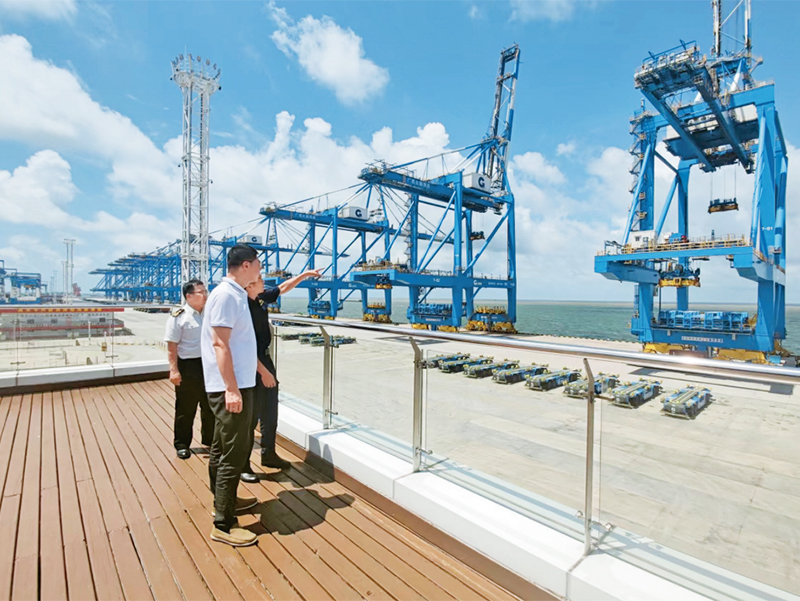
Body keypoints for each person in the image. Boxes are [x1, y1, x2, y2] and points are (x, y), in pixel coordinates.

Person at [201, 244, 262, 547]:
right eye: (259, 264)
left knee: (222, 447)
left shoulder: (234, 293)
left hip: (236, 383)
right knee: (234, 453)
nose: (261, 270)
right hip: (231, 386)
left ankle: (223, 502)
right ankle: (223, 524)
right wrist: (232, 389)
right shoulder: (226, 295)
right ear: (247, 265)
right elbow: (220, 344)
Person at [240, 269, 322, 483]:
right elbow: (240, 345)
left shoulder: (259, 297)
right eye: (260, 279)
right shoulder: (240, 306)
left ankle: (269, 454)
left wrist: (304, 275)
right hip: (250, 362)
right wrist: (262, 371)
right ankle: (243, 464)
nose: (264, 282)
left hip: (265, 359)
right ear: (249, 285)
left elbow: (282, 288)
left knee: (270, 410)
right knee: (250, 416)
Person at [164, 279, 214, 460]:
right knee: (186, 408)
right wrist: (174, 370)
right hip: (188, 366)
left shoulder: (209, 313)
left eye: (205, 291)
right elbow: (172, 346)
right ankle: (182, 444)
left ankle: (210, 440)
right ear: (189, 296)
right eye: (201, 292)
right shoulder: (179, 316)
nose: (205, 295)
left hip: (208, 365)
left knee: (210, 406)